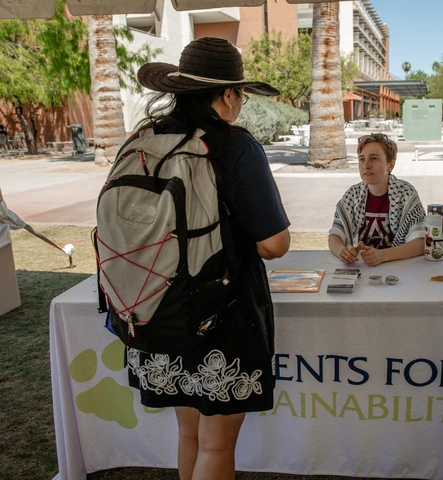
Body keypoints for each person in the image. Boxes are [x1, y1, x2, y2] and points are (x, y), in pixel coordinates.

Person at [126, 37, 290, 480]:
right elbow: (275, 244)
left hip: (155, 308)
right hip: (222, 314)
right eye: (240, 94)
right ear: (227, 94)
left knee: (190, 435)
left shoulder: (147, 138)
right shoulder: (233, 145)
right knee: (216, 447)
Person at [328, 133, 426, 267]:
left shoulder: (405, 194)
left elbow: (421, 243)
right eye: (362, 159)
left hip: (399, 270)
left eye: (374, 159)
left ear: (390, 165)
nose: (366, 165)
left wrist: (383, 255)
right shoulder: (353, 194)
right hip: (361, 269)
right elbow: (334, 236)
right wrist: (342, 251)